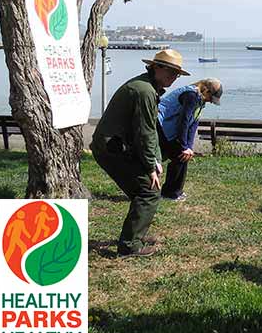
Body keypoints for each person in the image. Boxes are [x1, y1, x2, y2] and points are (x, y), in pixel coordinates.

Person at [90, 49, 189, 257]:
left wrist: (155, 160)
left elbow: (149, 129)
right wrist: (151, 166)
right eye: (170, 71)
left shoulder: (146, 86)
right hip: (112, 149)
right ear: (156, 67)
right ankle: (129, 246)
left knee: (143, 191)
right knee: (148, 191)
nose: (173, 78)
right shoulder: (144, 91)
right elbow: (144, 132)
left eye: (177, 74)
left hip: (115, 146)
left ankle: (136, 235)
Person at [157, 78, 223, 201]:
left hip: (171, 128)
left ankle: (176, 191)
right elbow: (184, 121)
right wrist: (183, 146)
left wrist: (189, 147)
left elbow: (193, 125)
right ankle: (168, 193)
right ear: (206, 91)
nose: (211, 102)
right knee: (179, 155)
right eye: (211, 98)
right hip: (161, 125)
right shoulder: (191, 96)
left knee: (184, 156)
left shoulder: (200, 101)